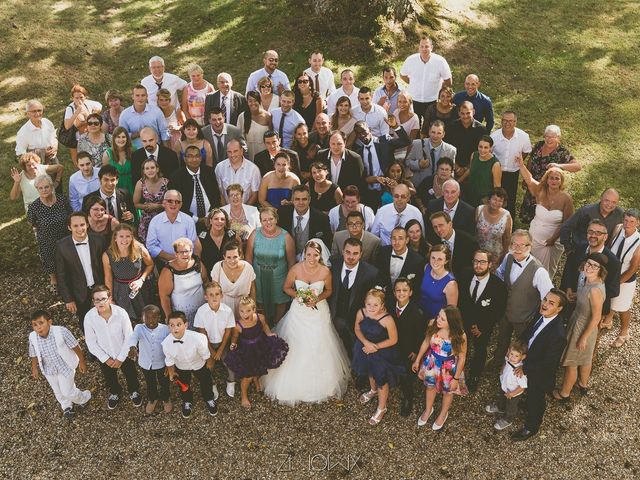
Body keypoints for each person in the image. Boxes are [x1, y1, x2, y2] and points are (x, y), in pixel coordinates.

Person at [262, 241, 350, 405]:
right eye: (308, 254)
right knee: (296, 342)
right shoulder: (295, 269)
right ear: (304, 253)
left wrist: (316, 298)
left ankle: (322, 383)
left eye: (315, 255)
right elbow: (286, 288)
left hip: (318, 312)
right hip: (299, 311)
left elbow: (329, 291)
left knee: (318, 343)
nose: (311, 258)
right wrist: (299, 296)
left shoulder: (325, 271)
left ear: (320, 255)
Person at [511, 289, 567, 441]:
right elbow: (530, 331)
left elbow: (548, 363)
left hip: (539, 372)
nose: (545, 304)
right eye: (545, 300)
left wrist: (525, 367)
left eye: (551, 303)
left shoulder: (558, 335)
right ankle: (527, 404)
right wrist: (517, 346)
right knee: (529, 395)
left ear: (559, 309)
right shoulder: (541, 313)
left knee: (536, 399)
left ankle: (532, 426)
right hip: (527, 358)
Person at [494, 230, 554, 362]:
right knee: (502, 338)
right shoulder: (509, 257)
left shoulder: (539, 271)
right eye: (514, 244)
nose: (517, 248)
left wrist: (541, 319)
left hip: (524, 318)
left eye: (522, 245)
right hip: (505, 312)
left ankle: (522, 369)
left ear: (530, 246)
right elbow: (499, 274)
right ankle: (498, 360)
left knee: (524, 345)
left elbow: (550, 297)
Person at [555, 253, 607, 400]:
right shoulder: (589, 281)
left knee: (572, 362)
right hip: (578, 321)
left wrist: (583, 337)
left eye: (594, 266)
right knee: (585, 358)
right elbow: (586, 296)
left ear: (600, 269)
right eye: (588, 263)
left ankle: (564, 393)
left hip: (584, 327)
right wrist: (577, 295)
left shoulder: (595, 290)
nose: (589, 267)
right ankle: (583, 384)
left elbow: (596, 317)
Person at [84, 285, 141, 410]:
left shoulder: (121, 313)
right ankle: (115, 392)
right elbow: (91, 342)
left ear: (109, 299)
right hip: (105, 355)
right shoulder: (89, 318)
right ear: (93, 302)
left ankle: (134, 390)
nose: (100, 302)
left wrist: (121, 358)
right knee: (109, 377)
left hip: (124, 353)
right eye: (97, 300)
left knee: (130, 373)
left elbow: (129, 337)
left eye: (103, 298)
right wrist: (106, 359)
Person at [353, 288, 404, 425]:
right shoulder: (361, 312)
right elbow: (357, 328)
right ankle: (372, 390)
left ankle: (382, 408)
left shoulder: (387, 319)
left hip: (381, 351)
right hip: (364, 347)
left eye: (376, 305)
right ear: (365, 303)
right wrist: (365, 343)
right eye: (369, 304)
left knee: (381, 379)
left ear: (382, 305)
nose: (371, 308)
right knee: (369, 372)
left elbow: (393, 340)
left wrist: (375, 347)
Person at [226, 296, 289, 408]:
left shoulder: (260, 318)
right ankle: (244, 396)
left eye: (248, 311)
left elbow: (264, 326)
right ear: (238, 311)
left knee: (261, 365)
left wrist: (269, 334)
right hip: (247, 351)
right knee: (247, 376)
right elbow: (235, 337)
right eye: (242, 311)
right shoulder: (238, 326)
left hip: (260, 346)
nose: (245, 314)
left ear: (254, 309)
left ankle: (256, 379)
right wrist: (233, 344)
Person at [458, 249, 507, 390]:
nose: (478, 265)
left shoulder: (498, 286)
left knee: (480, 350)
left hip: (483, 326)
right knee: (461, 347)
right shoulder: (465, 275)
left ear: (490, 264)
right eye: (476, 261)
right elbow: (461, 300)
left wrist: (482, 327)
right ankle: (459, 369)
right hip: (464, 322)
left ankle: (474, 375)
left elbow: (498, 311)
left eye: (482, 262)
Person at [29, 309, 91, 419]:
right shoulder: (33, 337)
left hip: (65, 367)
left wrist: (82, 361)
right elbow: (33, 353)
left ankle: (84, 398)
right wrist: (34, 368)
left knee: (67, 391)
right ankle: (66, 406)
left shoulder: (61, 332)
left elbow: (75, 346)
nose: (38, 327)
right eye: (35, 325)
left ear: (49, 322)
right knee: (57, 390)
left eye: (41, 323)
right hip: (49, 369)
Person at [413, 306, 467, 430]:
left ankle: (443, 414)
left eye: (442, 319)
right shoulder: (433, 324)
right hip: (432, 363)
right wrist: (417, 359)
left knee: (447, 393)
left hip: (448, 368)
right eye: (438, 316)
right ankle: (428, 409)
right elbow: (426, 342)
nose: (438, 320)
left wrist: (456, 378)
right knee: (430, 387)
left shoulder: (460, 335)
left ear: (451, 322)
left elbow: (462, 357)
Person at [518, 157, 573, 278]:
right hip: (534, 237)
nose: (554, 181)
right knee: (530, 268)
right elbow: (529, 179)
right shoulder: (540, 191)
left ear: (561, 181)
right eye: (551, 178)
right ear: (547, 180)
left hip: (553, 242)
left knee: (546, 272)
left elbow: (567, 223)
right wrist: (521, 165)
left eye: (557, 178)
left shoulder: (566, 199)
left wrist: (553, 239)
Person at [55, 212, 107, 332]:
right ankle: (91, 346)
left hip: (99, 286)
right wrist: (68, 299)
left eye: (82, 224)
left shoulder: (99, 240)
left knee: (105, 317)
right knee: (85, 321)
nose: (80, 229)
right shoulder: (62, 246)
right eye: (75, 226)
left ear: (87, 224)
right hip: (78, 290)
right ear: (69, 227)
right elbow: (61, 275)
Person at [560, 219, 621, 320]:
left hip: (591, 310)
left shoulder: (613, 262)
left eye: (598, 233)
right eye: (590, 232)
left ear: (605, 237)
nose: (593, 235)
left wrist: (583, 294)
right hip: (569, 301)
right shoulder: (578, 249)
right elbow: (568, 270)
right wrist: (568, 288)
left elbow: (613, 290)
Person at [520, 125, 581, 223]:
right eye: (547, 136)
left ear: (558, 138)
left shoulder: (562, 152)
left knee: (543, 216)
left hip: (547, 189)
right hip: (533, 184)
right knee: (529, 217)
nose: (549, 139)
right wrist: (526, 176)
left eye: (552, 137)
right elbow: (531, 159)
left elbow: (577, 166)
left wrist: (559, 166)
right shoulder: (539, 145)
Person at [329, 238, 380, 355]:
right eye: (348, 252)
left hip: (357, 322)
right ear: (342, 251)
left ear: (361, 254)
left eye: (355, 253)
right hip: (334, 316)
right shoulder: (333, 264)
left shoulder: (371, 273)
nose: (351, 257)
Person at [162, 311, 217, 417]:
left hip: (199, 363)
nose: (175, 328)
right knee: (184, 385)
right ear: (168, 327)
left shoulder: (197, 338)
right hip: (181, 366)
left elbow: (206, 354)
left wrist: (209, 364)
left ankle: (209, 398)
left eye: (178, 324)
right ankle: (187, 401)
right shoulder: (166, 343)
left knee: (206, 381)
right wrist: (171, 372)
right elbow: (169, 360)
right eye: (172, 325)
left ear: (186, 325)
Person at [246, 207, 296, 323]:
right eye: (264, 220)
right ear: (261, 221)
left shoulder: (286, 237)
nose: (268, 222)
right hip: (258, 276)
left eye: (270, 219)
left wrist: (290, 281)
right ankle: (263, 326)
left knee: (279, 301)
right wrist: (249, 279)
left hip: (279, 277)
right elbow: (248, 258)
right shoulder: (254, 234)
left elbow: (291, 262)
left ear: (276, 219)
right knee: (259, 301)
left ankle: (277, 326)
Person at [353, 118, 410, 207]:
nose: (362, 135)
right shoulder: (358, 152)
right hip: (368, 193)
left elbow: (405, 141)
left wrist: (395, 126)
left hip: (387, 190)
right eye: (358, 134)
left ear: (370, 130)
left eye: (364, 131)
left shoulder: (384, 142)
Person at [194, 281, 237, 400]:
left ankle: (231, 381)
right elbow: (202, 332)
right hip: (207, 344)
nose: (214, 297)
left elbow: (228, 331)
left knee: (229, 362)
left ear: (222, 295)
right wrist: (212, 351)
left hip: (223, 342)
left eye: (217, 294)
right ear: (205, 297)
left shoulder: (227, 310)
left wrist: (221, 350)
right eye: (211, 295)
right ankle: (212, 385)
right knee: (208, 366)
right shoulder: (201, 312)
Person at [27, 175, 71, 290]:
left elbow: (70, 214)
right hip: (47, 239)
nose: (44, 190)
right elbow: (31, 222)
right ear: (37, 189)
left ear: (51, 187)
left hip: (65, 236)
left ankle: (70, 278)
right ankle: (54, 280)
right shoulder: (34, 206)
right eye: (40, 188)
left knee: (68, 259)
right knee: (49, 259)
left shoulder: (62, 199)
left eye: (46, 187)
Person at [103, 223, 154, 322]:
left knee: (144, 317)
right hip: (120, 290)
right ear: (115, 238)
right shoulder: (107, 255)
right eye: (121, 236)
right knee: (125, 319)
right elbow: (108, 278)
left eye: (128, 236)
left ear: (132, 238)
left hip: (139, 288)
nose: (124, 240)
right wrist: (110, 298)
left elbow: (150, 264)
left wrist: (141, 280)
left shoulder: (140, 249)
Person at [605, 209, 640, 347]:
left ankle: (624, 332)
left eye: (632, 221)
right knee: (608, 300)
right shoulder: (617, 229)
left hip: (626, 279)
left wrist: (616, 282)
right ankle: (608, 318)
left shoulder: (638, 242)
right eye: (626, 220)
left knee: (622, 307)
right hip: (609, 275)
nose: (627, 224)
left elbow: (633, 268)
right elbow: (608, 248)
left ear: (638, 223)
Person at [127, 305, 171, 414]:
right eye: (147, 317)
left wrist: (169, 364)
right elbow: (133, 338)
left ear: (159, 318)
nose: (150, 320)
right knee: (150, 382)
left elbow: (170, 346)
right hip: (146, 363)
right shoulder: (139, 328)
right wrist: (132, 347)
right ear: (142, 318)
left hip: (161, 362)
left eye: (154, 317)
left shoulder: (165, 329)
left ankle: (166, 398)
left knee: (164, 381)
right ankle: (153, 398)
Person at [392, 277, 426, 417]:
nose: (401, 293)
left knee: (406, 376)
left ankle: (408, 398)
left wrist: (416, 351)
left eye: (405, 290)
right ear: (394, 293)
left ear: (411, 292)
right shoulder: (389, 306)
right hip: (392, 346)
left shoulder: (417, 312)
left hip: (408, 350)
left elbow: (421, 334)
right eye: (398, 290)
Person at [167, 145, 222, 232]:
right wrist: (196, 219)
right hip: (187, 220)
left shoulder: (209, 172)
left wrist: (210, 216)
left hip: (211, 219)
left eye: (197, 156)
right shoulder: (176, 177)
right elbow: (176, 204)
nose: (194, 159)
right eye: (190, 156)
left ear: (201, 158)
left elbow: (216, 196)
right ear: (184, 159)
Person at [400, 35, 452, 126]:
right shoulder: (411, 60)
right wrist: (413, 83)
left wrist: (440, 90)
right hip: (413, 99)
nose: (424, 49)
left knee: (430, 126)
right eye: (422, 46)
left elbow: (448, 81)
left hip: (432, 100)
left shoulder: (440, 61)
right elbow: (402, 75)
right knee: (414, 126)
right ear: (419, 47)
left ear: (431, 47)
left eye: (427, 46)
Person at [491, 111, 532, 219]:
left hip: (513, 173)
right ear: (501, 121)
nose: (507, 123)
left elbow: (526, 151)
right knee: (495, 198)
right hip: (497, 173)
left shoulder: (523, 136)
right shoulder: (494, 136)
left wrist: (519, 162)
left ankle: (509, 226)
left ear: (515, 122)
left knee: (510, 200)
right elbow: (489, 153)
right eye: (504, 120)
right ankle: (495, 221)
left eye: (510, 121)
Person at [158, 237, 208, 326]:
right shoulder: (168, 271)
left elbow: (206, 283)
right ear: (176, 254)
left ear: (192, 251)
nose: (185, 254)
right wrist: (170, 318)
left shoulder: (198, 263)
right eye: (181, 252)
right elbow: (164, 296)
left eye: (187, 251)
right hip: (182, 318)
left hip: (202, 313)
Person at [560, 188, 624, 254]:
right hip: (579, 253)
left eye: (614, 202)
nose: (610, 204)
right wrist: (568, 248)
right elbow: (566, 227)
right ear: (601, 198)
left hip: (601, 257)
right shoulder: (586, 211)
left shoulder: (620, 215)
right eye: (607, 200)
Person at [146, 190, 201, 266]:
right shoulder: (155, 221)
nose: (174, 204)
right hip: (163, 262)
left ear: (181, 204)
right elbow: (151, 246)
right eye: (170, 201)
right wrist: (171, 258)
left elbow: (192, 243)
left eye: (177, 202)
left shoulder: (188, 220)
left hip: (185, 262)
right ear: (164, 203)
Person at [277, 184, 333, 260]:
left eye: (304, 199)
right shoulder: (282, 213)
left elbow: (327, 243)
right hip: (285, 260)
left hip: (310, 262)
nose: (301, 202)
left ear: (309, 199)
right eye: (297, 199)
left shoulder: (321, 218)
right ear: (292, 200)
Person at [406, 120, 457, 197]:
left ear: (443, 134)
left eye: (439, 133)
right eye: (433, 132)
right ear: (429, 132)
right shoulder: (417, 144)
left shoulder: (451, 150)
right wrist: (418, 164)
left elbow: (451, 171)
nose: (435, 136)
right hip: (418, 187)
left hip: (440, 191)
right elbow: (407, 162)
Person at [485, 341, 528, 431]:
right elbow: (505, 363)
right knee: (502, 398)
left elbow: (522, 387)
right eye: (511, 354)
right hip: (504, 386)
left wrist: (512, 394)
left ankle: (508, 419)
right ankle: (500, 407)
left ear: (523, 357)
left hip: (513, 393)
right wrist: (501, 371)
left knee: (511, 406)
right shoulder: (509, 360)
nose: (512, 357)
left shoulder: (519, 372)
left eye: (516, 356)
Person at [444, 101, 488, 188]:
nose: (465, 116)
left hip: (474, 168)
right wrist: (457, 167)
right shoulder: (451, 127)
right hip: (453, 167)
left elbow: (482, 151)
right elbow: (446, 148)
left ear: (473, 112)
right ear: (459, 113)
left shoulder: (481, 129)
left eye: (468, 113)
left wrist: (467, 168)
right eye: (462, 113)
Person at [376, 226, 426, 302]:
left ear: (407, 240)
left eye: (400, 238)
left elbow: (416, 287)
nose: (396, 242)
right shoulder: (383, 252)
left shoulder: (417, 260)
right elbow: (377, 274)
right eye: (394, 238)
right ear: (390, 239)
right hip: (384, 297)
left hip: (405, 300)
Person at [210, 241, 256, 316]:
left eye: (235, 257)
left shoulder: (248, 268)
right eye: (228, 257)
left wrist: (253, 308)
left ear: (240, 256)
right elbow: (213, 291)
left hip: (243, 306)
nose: (232, 261)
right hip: (223, 305)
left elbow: (253, 290)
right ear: (224, 256)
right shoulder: (217, 267)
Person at [119, 85, 170, 150]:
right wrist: (138, 133)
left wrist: (166, 151)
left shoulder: (156, 111)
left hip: (155, 149)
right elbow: (122, 136)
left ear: (147, 96)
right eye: (137, 95)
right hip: (135, 151)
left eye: (143, 95)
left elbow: (164, 132)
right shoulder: (125, 114)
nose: (140, 98)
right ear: (132, 97)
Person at [429, 211, 478, 278]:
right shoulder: (433, 241)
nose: (438, 230)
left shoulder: (469, 242)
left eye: (441, 225)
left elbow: (474, 266)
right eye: (435, 227)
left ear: (450, 224)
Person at [63, 84, 102, 166]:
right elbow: (67, 126)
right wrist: (77, 112)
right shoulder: (70, 108)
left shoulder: (88, 103)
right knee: (78, 160)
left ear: (85, 97)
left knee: (93, 158)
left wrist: (93, 112)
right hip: (75, 139)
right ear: (73, 98)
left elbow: (99, 106)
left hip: (89, 136)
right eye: (76, 98)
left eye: (81, 97)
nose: (79, 100)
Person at [215, 139, 262, 205]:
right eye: (229, 152)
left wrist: (244, 211)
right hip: (226, 210)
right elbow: (220, 193)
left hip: (247, 210)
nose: (232, 155)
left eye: (235, 151)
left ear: (241, 151)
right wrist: (225, 211)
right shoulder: (219, 167)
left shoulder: (253, 169)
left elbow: (255, 194)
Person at [133, 157, 169, 242]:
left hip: (163, 218)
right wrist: (148, 207)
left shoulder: (166, 182)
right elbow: (136, 204)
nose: (150, 170)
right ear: (144, 171)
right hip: (146, 219)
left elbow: (171, 203)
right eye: (147, 168)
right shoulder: (140, 183)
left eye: (152, 168)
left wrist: (158, 206)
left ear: (157, 169)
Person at [419, 243, 458, 318]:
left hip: (437, 321)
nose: (435, 262)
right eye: (433, 258)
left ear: (446, 261)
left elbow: (451, 313)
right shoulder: (427, 268)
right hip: (421, 316)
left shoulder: (451, 283)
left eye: (440, 259)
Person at [475, 187, 512, 264]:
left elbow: (507, 239)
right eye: (494, 199)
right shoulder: (479, 210)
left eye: (500, 201)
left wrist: (502, 257)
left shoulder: (506, 216)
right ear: (489, 199)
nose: (497, 203)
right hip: (478, 252)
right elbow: (472, 230)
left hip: (496, 255)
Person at [15, 99, 59, 164]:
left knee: (58, 170)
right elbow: (20, 153)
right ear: (28, 114)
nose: (37, 113)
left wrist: (55, 146)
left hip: (51, 158)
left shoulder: (47, 122)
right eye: (34, 111)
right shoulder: (23, 132)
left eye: (39, 110)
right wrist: (42, 153)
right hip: (34, 164)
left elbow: (54, 137)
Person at [464, 135, 502, 207]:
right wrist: (457, 181)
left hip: (483, 199)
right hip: (470, 193)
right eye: (480, 147)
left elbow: (497, 187)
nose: (482, 150)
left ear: (491, 148)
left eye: (486, 147)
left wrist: (489, 200)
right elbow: (470, 170)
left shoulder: (495, 164)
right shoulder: (474, 155)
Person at [200, 208, 239, 275]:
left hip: (230, 275)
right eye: (216, 219)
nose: (219, 221)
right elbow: (198, 260)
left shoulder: (233, 236)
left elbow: (240, 257)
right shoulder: (201, 239)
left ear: (226, 222)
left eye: (222, 219)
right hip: (210, 277)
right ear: (210, 221)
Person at [236, 91, 272, 161]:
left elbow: (271, 136)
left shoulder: (267, 116)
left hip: (264, 155)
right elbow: (239, 137)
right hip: (249, 154)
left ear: (259, 101)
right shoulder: (242, 116)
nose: (253, 103)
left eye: (255, 100)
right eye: (250, 101)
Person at [101, 126, 133, 194]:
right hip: (116, 188)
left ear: (127, 138)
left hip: (132, 185)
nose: (121, 139)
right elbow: (105, 175)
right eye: (118, 137)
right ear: (114, 138)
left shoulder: (133, 150)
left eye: (123, 137)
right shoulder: (107, 154)